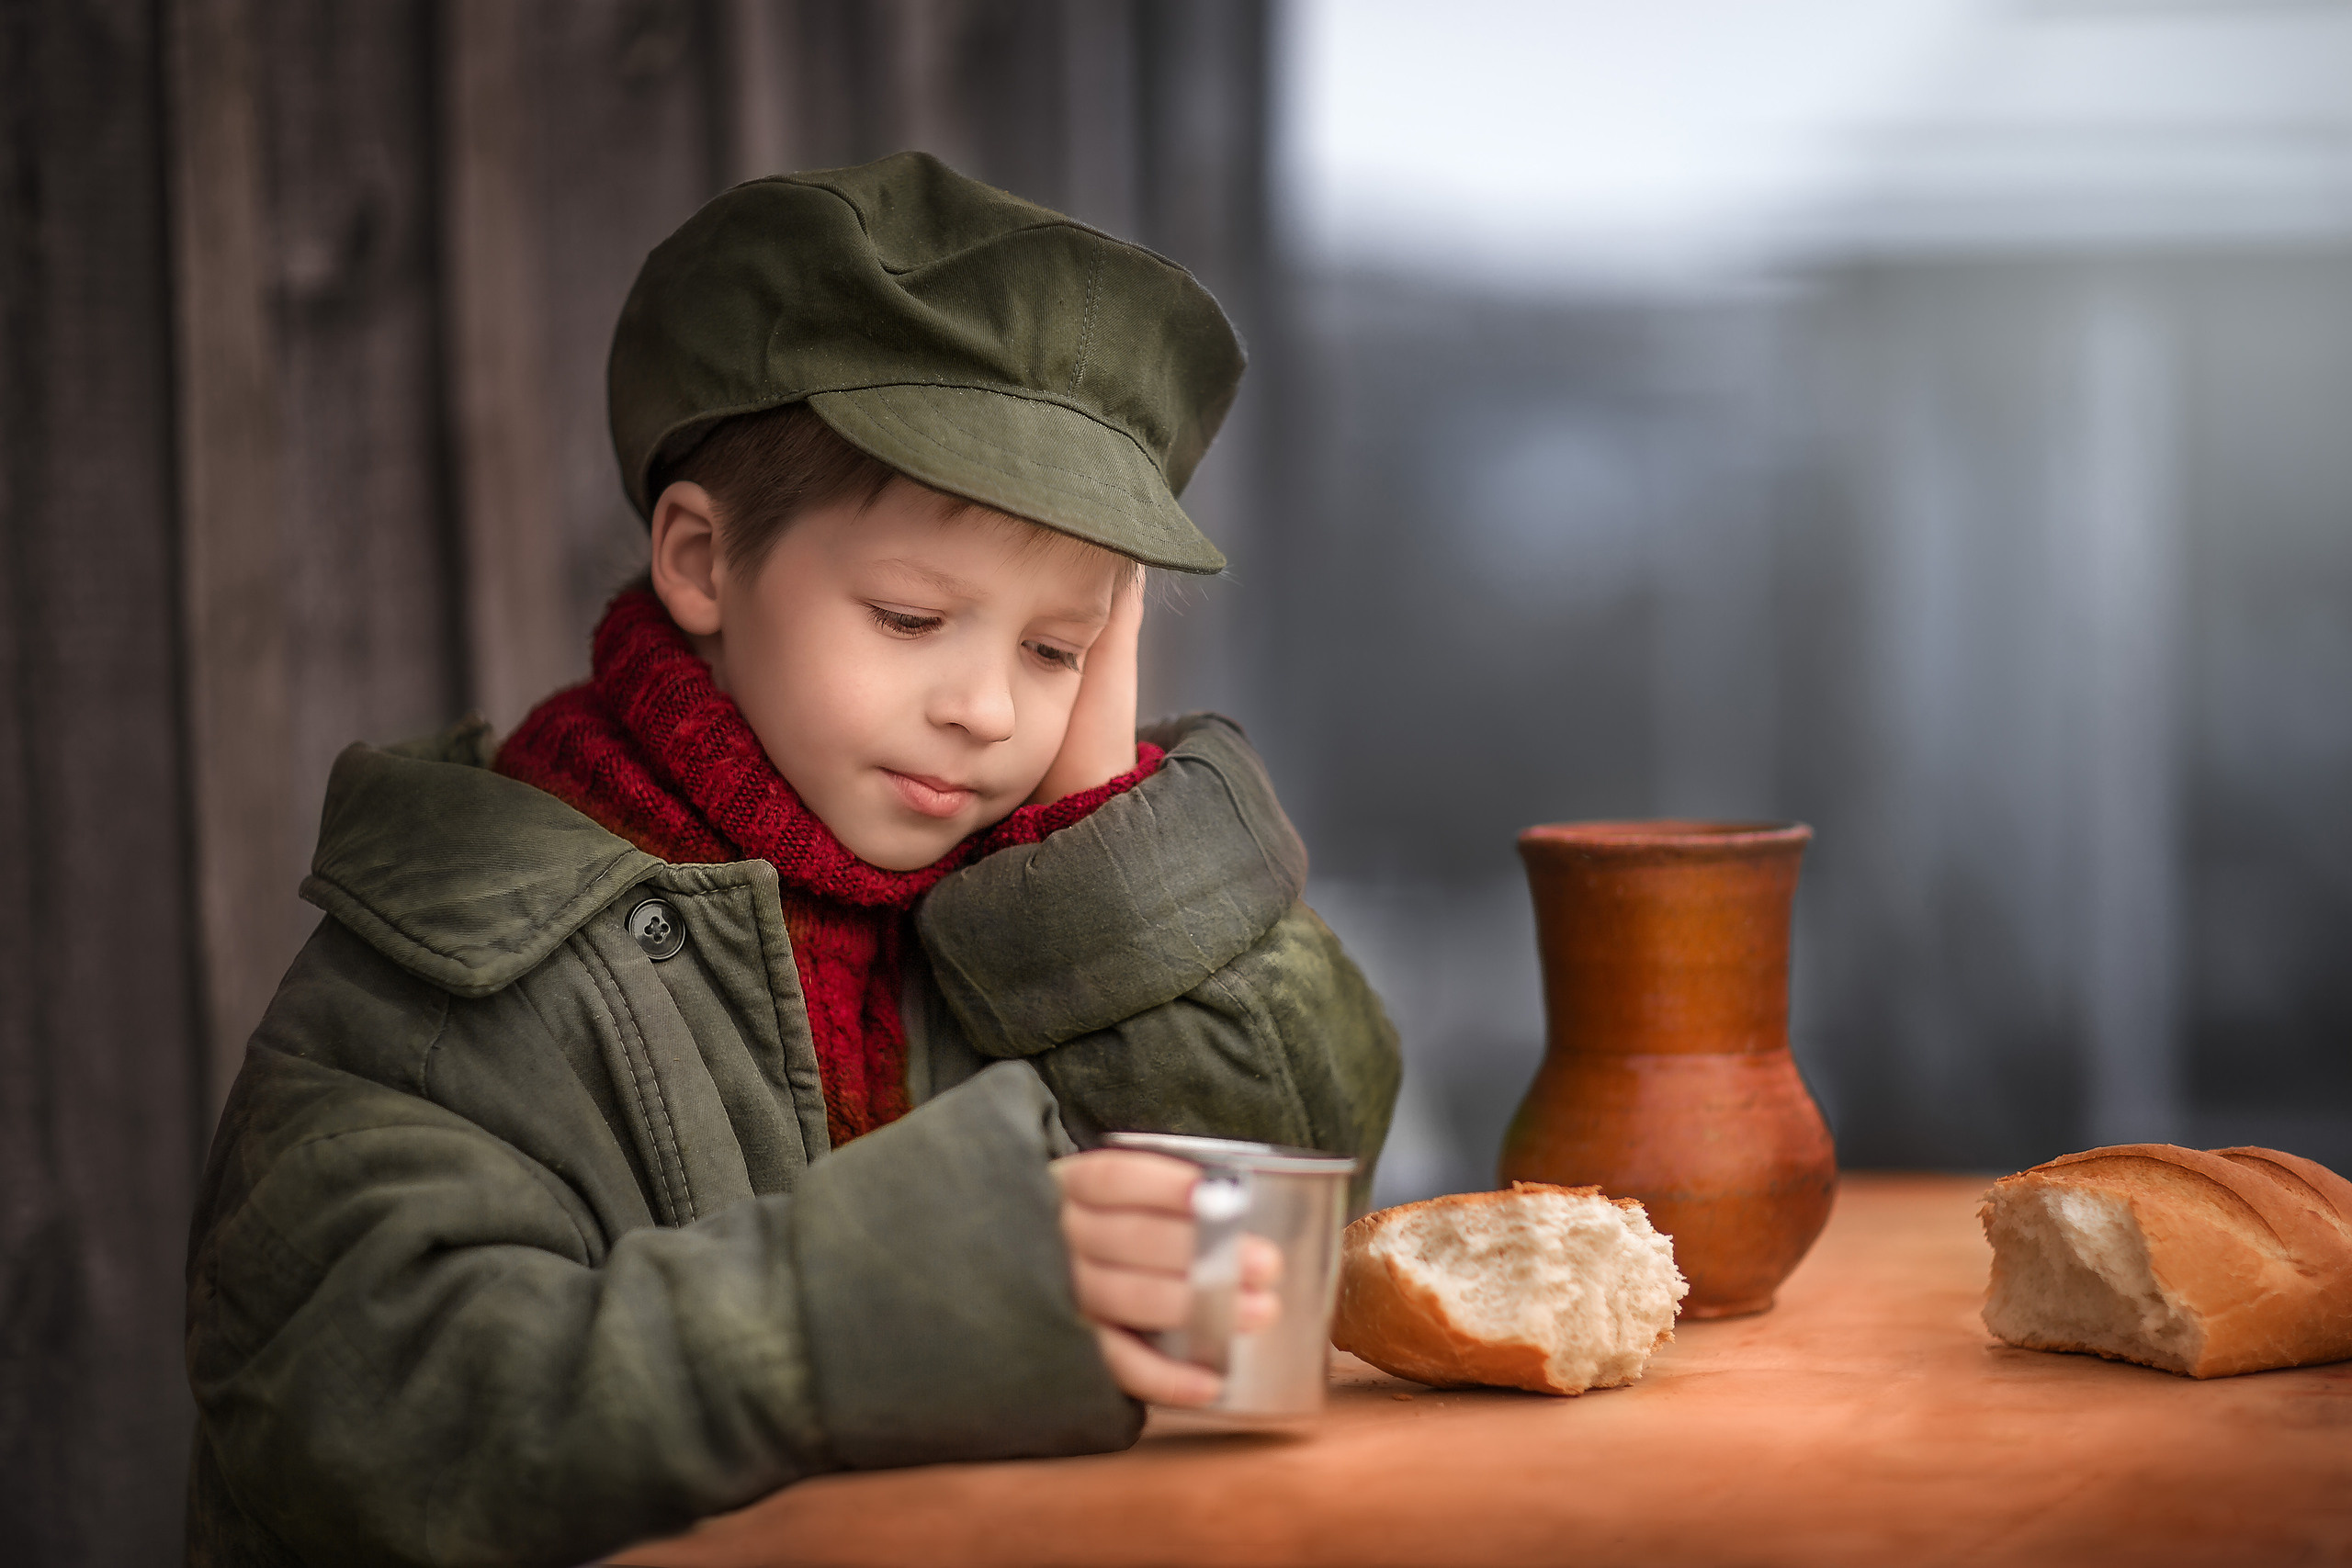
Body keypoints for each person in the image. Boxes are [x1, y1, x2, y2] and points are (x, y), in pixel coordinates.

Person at [183, 152, 1400, 1567]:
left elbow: (1290, 1205)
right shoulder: (454, 968)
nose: (987, 709)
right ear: (703, 560)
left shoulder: (1036, 901)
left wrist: (1100, 848)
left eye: (1055, 648)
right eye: (910, 619)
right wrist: (848, 1313)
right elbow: (365, 1412)